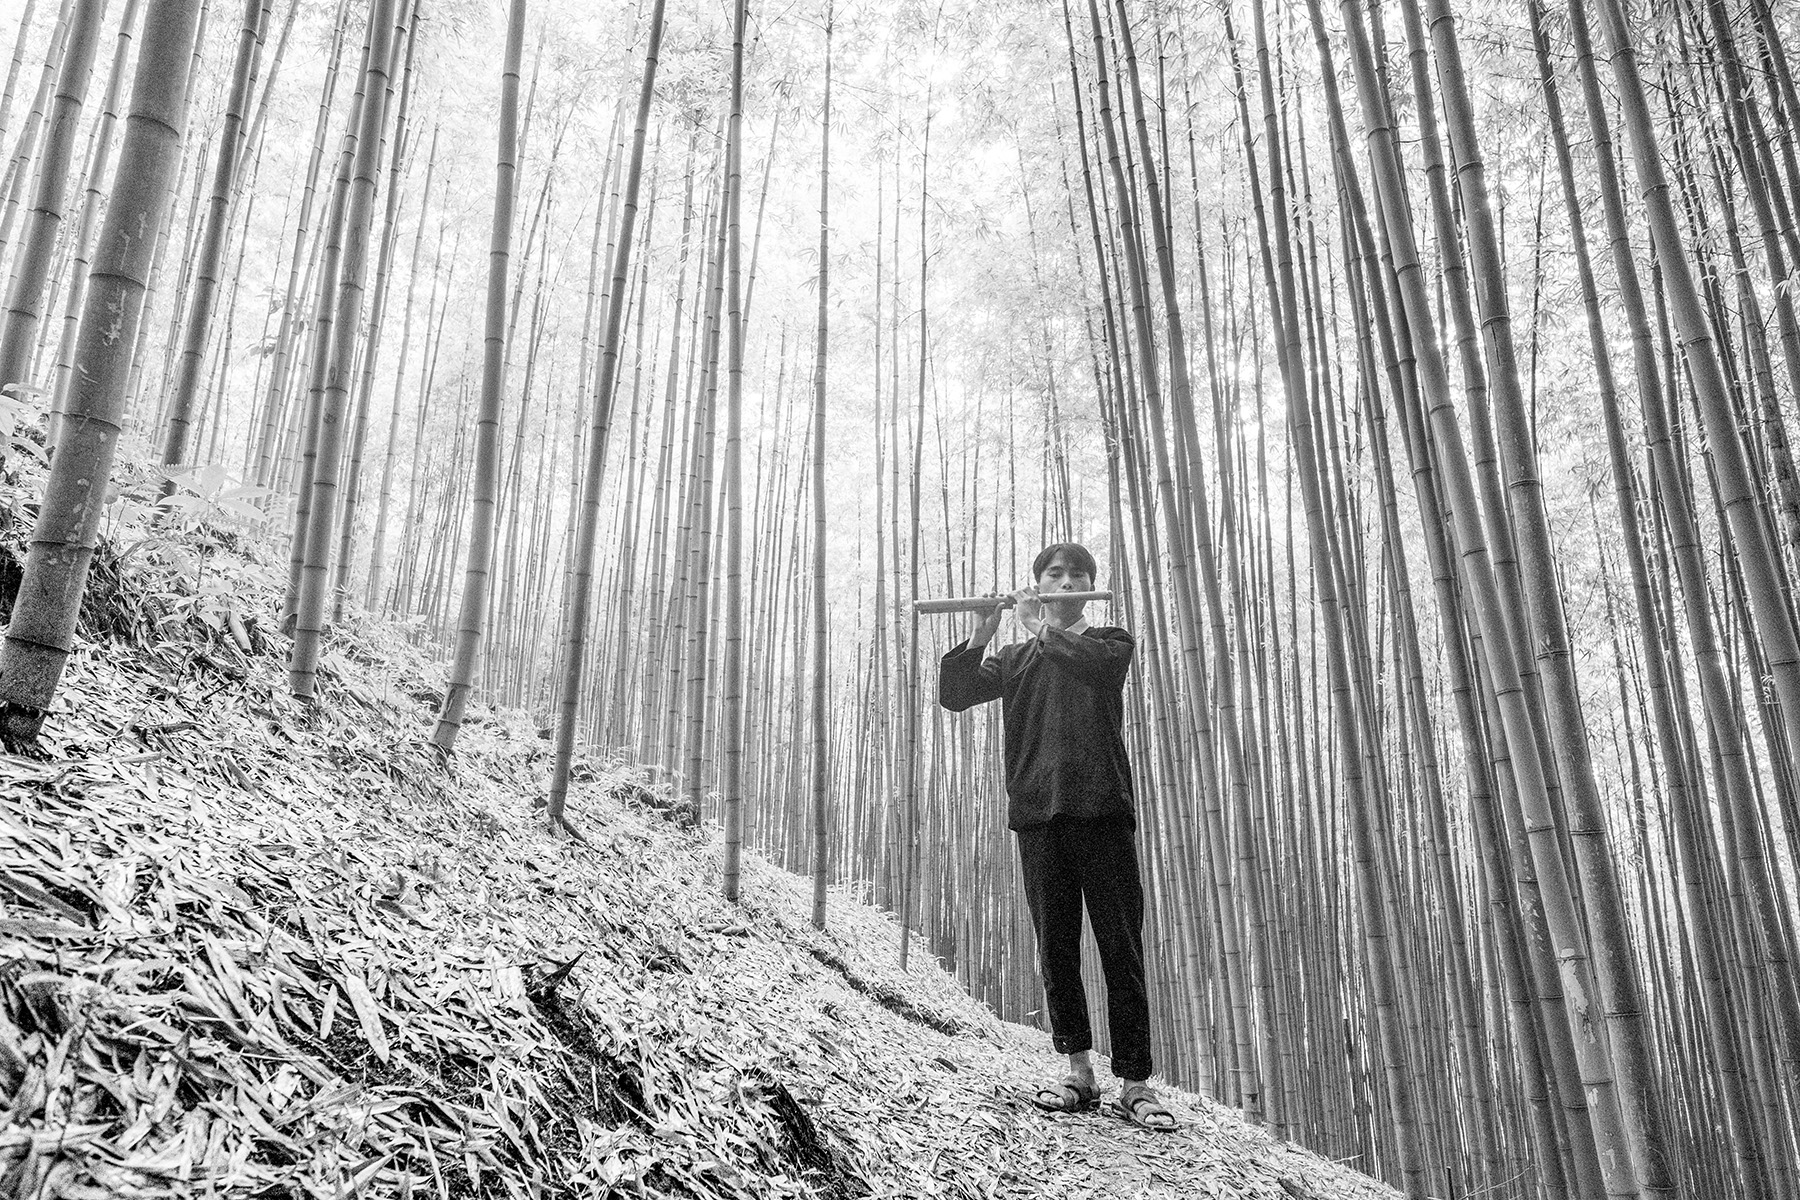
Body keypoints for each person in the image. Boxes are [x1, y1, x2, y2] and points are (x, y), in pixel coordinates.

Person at [938, 543, 1177, 1133]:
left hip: (1102, 811)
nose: (1066, 583)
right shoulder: (1018, 655)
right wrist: (983, 631)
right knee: (1057, 947)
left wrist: (1036, 625)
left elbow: (1089, 666)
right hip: (1040, 816)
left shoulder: (1108, 643)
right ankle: (1078, 1070)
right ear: (1038, 581)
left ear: (1089, 586)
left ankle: (1136, 1082)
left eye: (1077, 576)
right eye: (1054, 575)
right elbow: (956, 694)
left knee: (1120, 946)